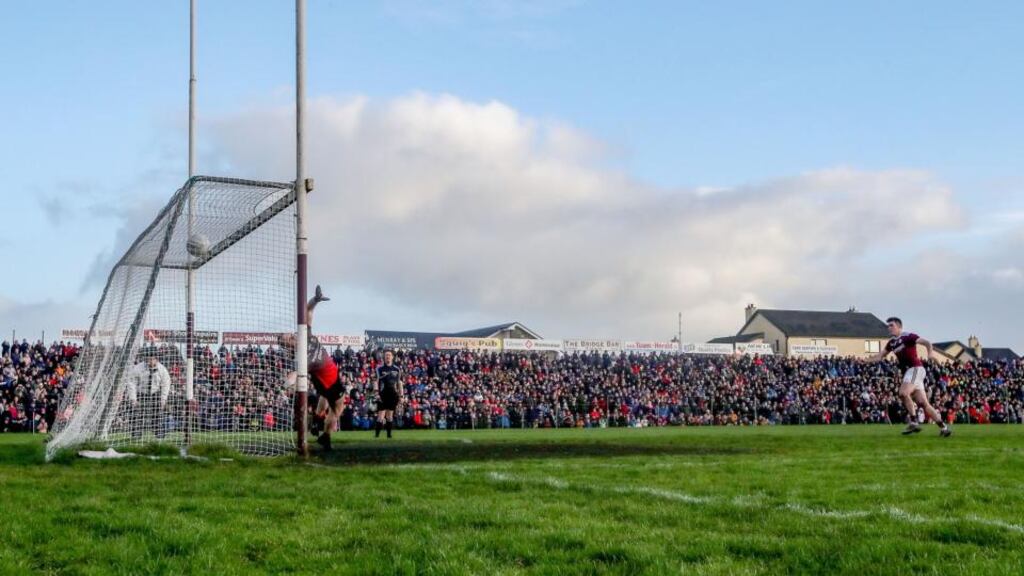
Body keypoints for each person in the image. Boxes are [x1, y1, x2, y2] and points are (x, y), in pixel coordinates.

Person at [281, 285, 343, 451]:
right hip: (329, 379)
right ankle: (326, 436)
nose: (292, 335)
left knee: (327, 403)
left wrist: (316, 300)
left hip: (326, 377)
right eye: (289, 339)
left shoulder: (305, 335)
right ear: (289, 346)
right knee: (337, 409)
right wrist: (287, 383)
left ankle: (317, 421)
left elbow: (308, 311)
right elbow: (295, 373)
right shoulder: (300, 357)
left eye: (291, 334)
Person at [870, 317, 951, 437]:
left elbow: (927, 342)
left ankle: (913, 421)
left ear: (899, 327)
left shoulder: (908, 336)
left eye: (891, 325)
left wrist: (930, 354)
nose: (889, 328)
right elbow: (880, 356)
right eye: (888, 326)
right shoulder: (891, 343)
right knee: (923, 404)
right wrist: (866, 360)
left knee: (903, 393)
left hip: (915, 369)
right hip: (911, 372)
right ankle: (944, 427)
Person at [126, 353, 171, 439]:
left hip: (155, 393)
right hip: (141, 393)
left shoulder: (162, 369)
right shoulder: (138, 368)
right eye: (148, 359)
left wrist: (163, 399)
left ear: (156, 359)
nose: (149, 361)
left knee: (158, 414)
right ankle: (136, 435)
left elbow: (166, 384)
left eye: (152, 359)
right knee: (136, 413)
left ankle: (159, 434)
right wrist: (133, 399)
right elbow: (131, 383)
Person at [374, 350, 402, 439]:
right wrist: (376, 393)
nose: (388, 356)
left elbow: (399, 383)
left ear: (392, 357)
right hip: (382, 394)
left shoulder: (397, 369)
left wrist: (401, 395)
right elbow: (375, 381)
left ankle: (389, 435)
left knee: (390, 416)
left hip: (392, 394)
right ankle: (377, 436)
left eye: (389, 355)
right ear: (384, 357)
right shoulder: (379, 369)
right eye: (386, 355)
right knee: (380, 416)